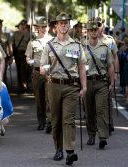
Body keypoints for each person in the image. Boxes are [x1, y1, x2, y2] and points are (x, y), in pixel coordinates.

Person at [40, 12, 87, 165]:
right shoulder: (49, 45)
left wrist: (84, 86)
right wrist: (44, 69)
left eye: (66, 23)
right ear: (56, 26)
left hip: (71, 86)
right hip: (53, 85)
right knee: (56, 119)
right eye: (61, 23)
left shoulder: (77, 45)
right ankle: (58, 148)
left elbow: (81, 68)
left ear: (69, 25)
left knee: (69, 119)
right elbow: (42, 66)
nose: (64, 25)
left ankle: (70, 151)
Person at [82, 20, 114, 149]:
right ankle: (91, 134)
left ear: (98, 31)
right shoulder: (81, 47)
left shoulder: (105, 47)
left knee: (101, 109)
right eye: (91, 30)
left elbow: (110, 65)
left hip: (101, 82)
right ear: (88, 32)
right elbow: (77, 66)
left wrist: (112, 81)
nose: (94, 32)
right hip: (88, 82)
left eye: (95, 30)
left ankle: (102, 137)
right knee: (89, 110)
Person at [25, 17, 53, 132]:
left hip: (49, 72)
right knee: (39, 99)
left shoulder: (53, 41)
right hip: (37, 72)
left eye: (45, 26)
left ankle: (49, 122)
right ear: (38, 28)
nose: (44, 29)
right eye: (41, 27)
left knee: (49, 98)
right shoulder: (33, 42)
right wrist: (30, 62)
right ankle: (41, 121)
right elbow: (28, 57)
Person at [10, 19, 31, 93]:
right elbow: (11, 44)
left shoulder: (29, 34)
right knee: (19, 70)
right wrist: (11, 54)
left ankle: (27, 85)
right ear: (19, 26)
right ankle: (21, 87)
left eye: (24, 25)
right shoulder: (15, 34)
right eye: (21, 25)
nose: (22, 26)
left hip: (26, 54)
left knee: (25, 70)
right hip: (18, 53)